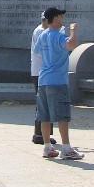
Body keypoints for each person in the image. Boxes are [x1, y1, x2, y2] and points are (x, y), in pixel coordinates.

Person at [33, 6, 84, 160]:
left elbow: (37, 51)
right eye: (61, 16)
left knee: (45, 115)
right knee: (62, 115)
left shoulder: (42, 35)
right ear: (55, 18)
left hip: (43, 80)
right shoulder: (58, 35)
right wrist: (73, 30)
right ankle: (66, 148)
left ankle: (47, 147)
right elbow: (72, 45)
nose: (62, 19)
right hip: (58, 80)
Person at [30, 12, 56, 146]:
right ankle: (40, 134)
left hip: (40, 70)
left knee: (44, 102)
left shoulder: (41, 30)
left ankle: (41, 134)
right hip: (41, 71)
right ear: (46, 20)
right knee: (43, 103)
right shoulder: (41, 32)